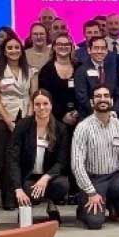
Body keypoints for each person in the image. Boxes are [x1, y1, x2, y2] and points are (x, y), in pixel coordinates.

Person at [70, 85, 119, 230]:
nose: (102, 99)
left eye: (106, 96)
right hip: (93, 179)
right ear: (92, 102)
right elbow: (77, 165)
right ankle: (84, 206)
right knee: (95, 223)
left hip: (114, 177)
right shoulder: (83, 128)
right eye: (98, 96)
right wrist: (91, 192)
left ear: (111, 100)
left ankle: (112, 206)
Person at [9, 90, 71, 223]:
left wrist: (45, 178)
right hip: (28, 176)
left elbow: (61, 161)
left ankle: (51, 204)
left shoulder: (61, 129)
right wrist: (18, 188)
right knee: (25, 218)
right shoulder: (22, 126)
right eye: (37, 104)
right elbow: (13, 158)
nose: (41, 107)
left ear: (51, 105)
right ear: (33, 106)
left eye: (45, 103)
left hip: (49, 176)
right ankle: (26, 207)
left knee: (62, 185)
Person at [0, 34, 31, 208]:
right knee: (5, 160)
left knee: (22, 159)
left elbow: (32, 96)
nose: (13, 51)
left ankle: (22, 196)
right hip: (2, 120)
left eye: (17, 48)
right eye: (9, 48)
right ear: (3, 51)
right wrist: (9, 122)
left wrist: (27, 120)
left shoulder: (30, 70)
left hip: (25, 118)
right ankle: (8, 199)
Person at [35, 32, 80, 127]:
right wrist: (62, 116)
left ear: (72, 47)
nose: (63, 47)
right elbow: (45, 96)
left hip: (79, 118)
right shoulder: (46, 70)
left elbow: (84, 93)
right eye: (59, 44)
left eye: (66, 44)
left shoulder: (79, 68)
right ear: (54, 47)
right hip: (54, 119)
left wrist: (77, 112)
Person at [75, 34, 119, 117]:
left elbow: (117, 95)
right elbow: (82, 98)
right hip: (88, 116)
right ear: (89, 50)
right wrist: (100, 113)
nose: (99, 51)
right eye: (96, 48)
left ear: (107, 51)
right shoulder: (81, 70)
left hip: (111, 116)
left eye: (103, 48)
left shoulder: (111, 69)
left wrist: (113, 111)